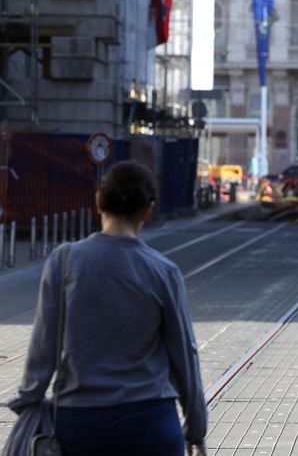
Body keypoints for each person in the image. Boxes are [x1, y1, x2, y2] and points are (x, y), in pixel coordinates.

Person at [7, 161, 207, 456]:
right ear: (148, 209)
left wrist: (28, 400)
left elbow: (43, 347)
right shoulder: (164, 271)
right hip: (151, 423)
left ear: (98, 200)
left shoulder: (63, 262)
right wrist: (195, 425)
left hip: (80, 424)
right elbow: (184, 355)